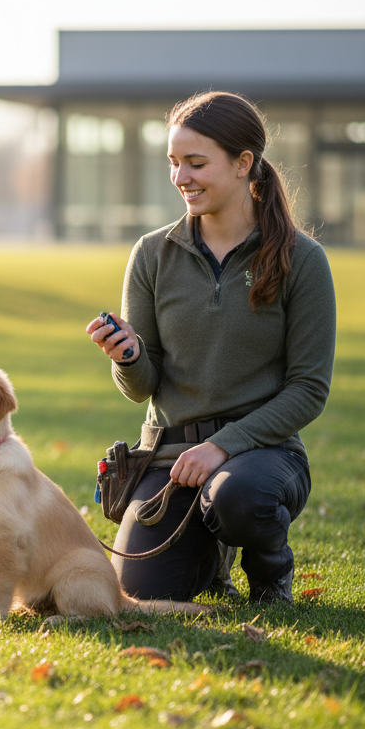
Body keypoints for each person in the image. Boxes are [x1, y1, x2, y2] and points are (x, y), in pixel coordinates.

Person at [86, 92, 336, 604]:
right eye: (175, 163)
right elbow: (143, 389)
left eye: (196, 163)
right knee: (136, 593)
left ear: (244, 164)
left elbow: (309, 389)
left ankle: (269, 573)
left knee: (238, 497)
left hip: (263, 457)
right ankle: (210, 558)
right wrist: (129, 357)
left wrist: (223, 447)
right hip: (170, 461)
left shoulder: (302, 260)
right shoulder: (152, 253)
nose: (181, 178)